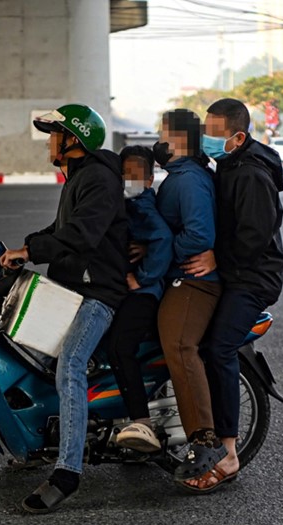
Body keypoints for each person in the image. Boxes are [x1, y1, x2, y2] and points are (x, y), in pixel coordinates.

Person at [0, 104, 128, 514]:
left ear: (74, 140)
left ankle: (68, 472)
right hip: (71, 286)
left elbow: (81, 235)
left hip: (97, 293)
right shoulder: (78, 177)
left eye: (55, 134)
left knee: (70, 364)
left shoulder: (100, 179)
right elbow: (59, 231)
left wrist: (32, 250)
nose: (49, 141)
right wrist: (24, 247)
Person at [180, 97, 283, 493]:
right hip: (232, 271)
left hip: (252, 278)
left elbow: (252, 239)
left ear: (237, 137)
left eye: (212, 133)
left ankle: (228, 453)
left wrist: (214, 257)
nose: (205, 139)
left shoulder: (251, 176)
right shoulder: (228, 164)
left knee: (218, 349)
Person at [152, 109, 226, 485]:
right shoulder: (180, 175)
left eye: (162, 134)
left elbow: (199, 236)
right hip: (178, 275)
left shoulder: (191, 179)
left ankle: (205, 438)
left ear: (177, 139)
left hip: (194, 282)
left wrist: (161, 252)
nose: (158, 142)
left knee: (179, 345)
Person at [107, 145, 173, 452]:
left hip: (144, 294)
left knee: (121, 347)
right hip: (129, 290)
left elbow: (161, 238)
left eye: (136, 174)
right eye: (124, 173)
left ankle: (141, 421)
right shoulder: (126, 201)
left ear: (149, 180)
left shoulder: (141, 205)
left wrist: (140, 277)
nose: (128, 179)